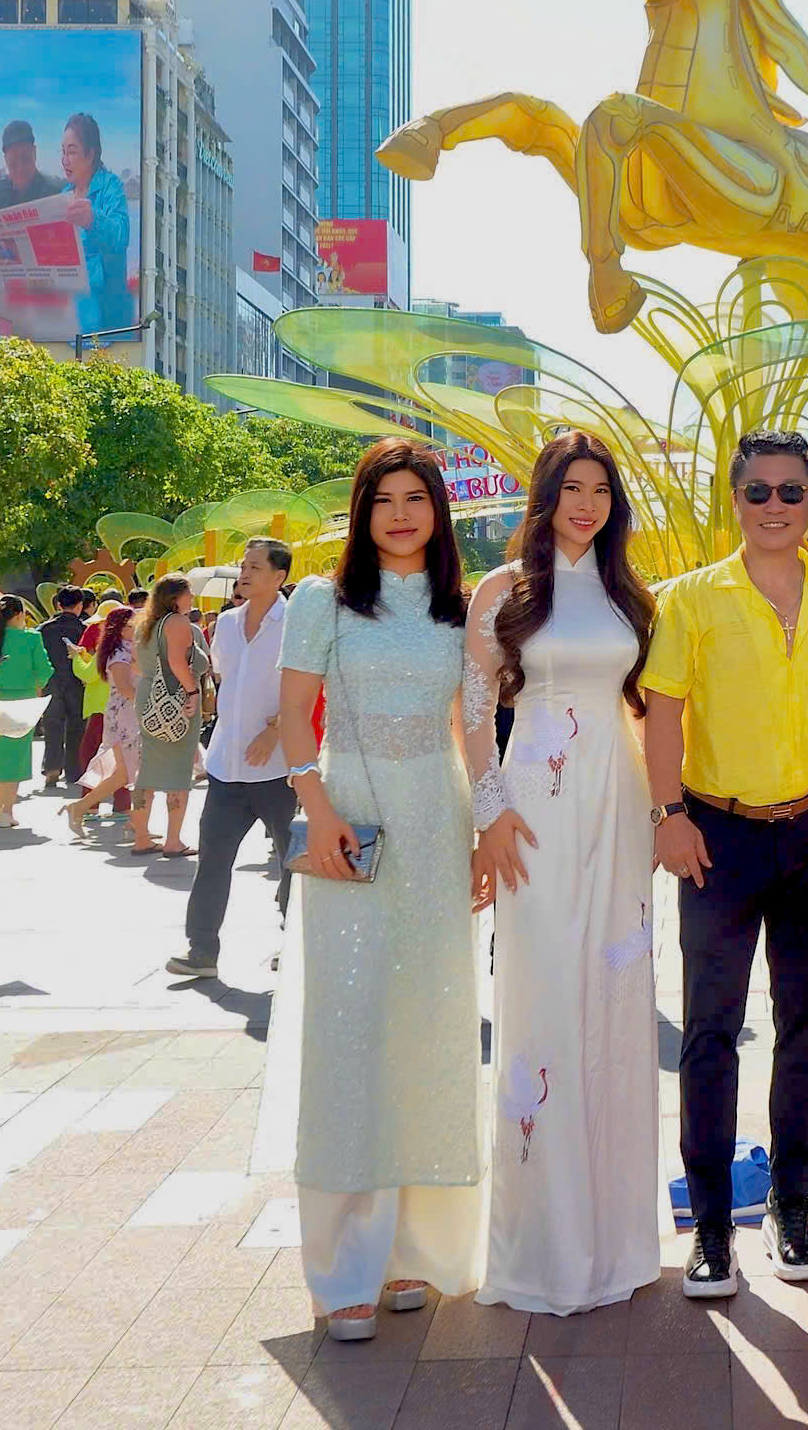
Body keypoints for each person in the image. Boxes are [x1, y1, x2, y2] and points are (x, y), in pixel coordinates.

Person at [642, 430, 808, 1299]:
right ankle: (710, 1227)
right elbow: (664, 712)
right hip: (718, 836)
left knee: (805, 1026)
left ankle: (791, 1204)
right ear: (734, 500)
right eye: (759, 492)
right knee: (711, 1030)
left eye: (791, 492)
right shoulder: (689, 599)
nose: (775, 506)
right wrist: (668, 815)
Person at [275, 438, 483, 1340]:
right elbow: (292, 716)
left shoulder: (459, 611)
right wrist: (318, 811)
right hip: (350, 833)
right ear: (362, 514)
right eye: (384, 500)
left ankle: (411, 1255)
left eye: (417, 499)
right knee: (350, 1035)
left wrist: (480, 833)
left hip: (437, 829)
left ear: (438, 513)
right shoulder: (321, 601)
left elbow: (469, 730)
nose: (400, 515)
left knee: (426, 1029)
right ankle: (343, 1269)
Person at [460, 432, 665, 1314]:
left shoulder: (630, 596)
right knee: (544, 997)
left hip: (617, 806)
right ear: (544, 496)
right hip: (533, 811)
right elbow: (473, 712)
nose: (587, 504)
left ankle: (616, 1240)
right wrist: (490, 813)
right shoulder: (504, 590)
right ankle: (545, 1244)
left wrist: (662, 812)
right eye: (571, 487)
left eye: (601, 490)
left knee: (615, 1002)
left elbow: (645, 710)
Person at [170, 542, 298, 979]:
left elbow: (311, 689)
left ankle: (295, 944)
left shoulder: (296, 625)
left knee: (292, 862)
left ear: (279, 577)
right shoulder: (225, 623)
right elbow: (226, 678)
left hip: (280, 769)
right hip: (227, 766)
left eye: (255, 567)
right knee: (212, 859)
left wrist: (276, 729)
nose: (244, 573)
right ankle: (201, 949)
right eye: (243, 566)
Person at [132, 574, 209, 857]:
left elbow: (138, 665)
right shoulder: (177, 622)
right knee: (178, 771)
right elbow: (177, 662)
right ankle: (173, 841)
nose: (192, 598)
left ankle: (141, 837)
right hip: (175, 698)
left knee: (147, 771)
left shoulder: (146, 624)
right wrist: (192, 692)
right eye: (189, 593)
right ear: (175, 597)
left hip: (149, 697)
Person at [66, 605, 145, 845]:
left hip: (127, 716)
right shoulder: (119, 652)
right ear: (120, 628)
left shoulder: (128, 648)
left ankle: (135, 823)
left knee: (127, 772)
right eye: (132, 625)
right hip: (125, 718)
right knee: (128, 772)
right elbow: (125, 688)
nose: (136, 628)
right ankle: (82, 808)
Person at [0, 596, 50, 828]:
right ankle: (7, 810)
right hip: (22, 702)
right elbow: (44, 671)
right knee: (16, 757)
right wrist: (36, 684)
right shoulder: (31, 638)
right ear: (19, 615)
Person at [61, 111, 133, 337]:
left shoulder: (111, 186)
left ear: (91, 153)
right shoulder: (63, 196)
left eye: (72, 151)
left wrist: (93, 220)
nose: (65, 160)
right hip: (70, 321)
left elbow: (121, 236)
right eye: (63, 152)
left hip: (108, 321)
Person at [36, 586, 92, 791]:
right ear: (80, 606)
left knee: (52, 725)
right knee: (77, 726)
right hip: (78, 682)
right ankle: (74, 770)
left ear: (59, 605)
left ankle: (52, 768)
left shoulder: (43, 629)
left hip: (51, 681)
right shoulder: (85, 629)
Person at [0, 118, 66, 211]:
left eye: (26, 159)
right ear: (6, 160)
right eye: (13, 163)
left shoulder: (54, 195)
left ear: (34, 153)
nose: (20, 168)